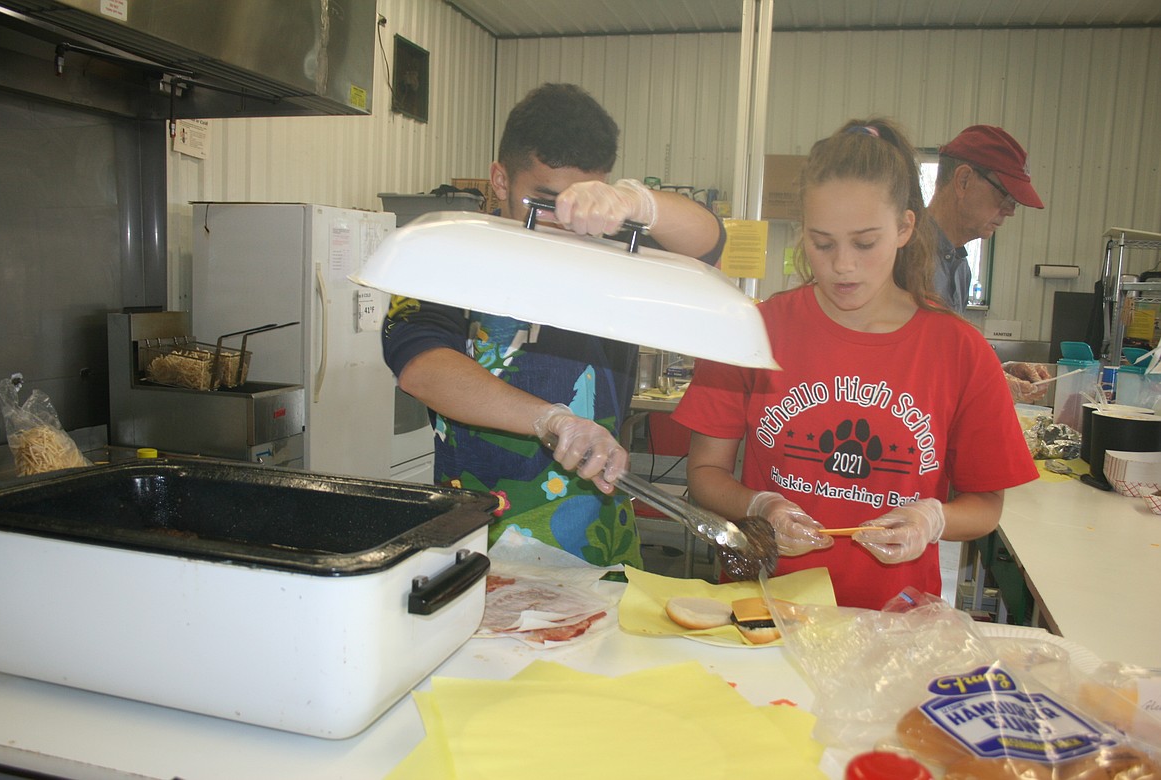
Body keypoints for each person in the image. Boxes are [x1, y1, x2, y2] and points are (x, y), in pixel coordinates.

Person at [671, 118, 1039, 609]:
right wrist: (762, 506)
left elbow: (986, 504)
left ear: (906, 227)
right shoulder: (752, 332)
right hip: (769, 609)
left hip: (891, 620)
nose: (843, 265)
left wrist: (933, 518)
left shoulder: (960, 351)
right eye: (823, 243)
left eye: (865, 243)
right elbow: (705, 472)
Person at [382, 83, 724, 568]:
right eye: (545, 204)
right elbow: (422, 365)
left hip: (600, 546)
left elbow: (708, 242)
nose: (564, 224)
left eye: (579, 206)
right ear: (500, 180)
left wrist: (635, 203)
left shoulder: (612, 257)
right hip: (478, 541)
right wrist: (551, 418)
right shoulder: (448, 257)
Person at [926, 124, 1050, 402]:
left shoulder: (959, 267)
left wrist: (1001, 371)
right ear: (964, 180)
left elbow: (950, 356)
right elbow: (902, 366)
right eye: (1004, 195)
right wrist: (987, 382)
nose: (1010, 211)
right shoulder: (904, 256)